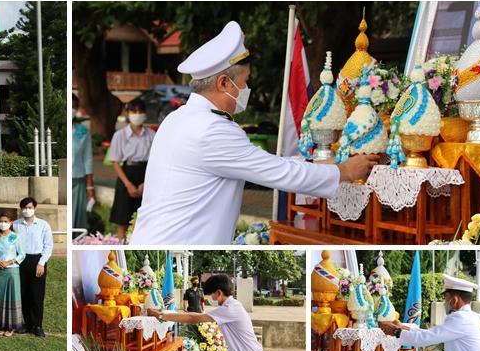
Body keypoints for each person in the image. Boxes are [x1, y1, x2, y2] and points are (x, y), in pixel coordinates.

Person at [131, 21, 376, 244]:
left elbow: (265, 163)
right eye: (244, 81)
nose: (246, 88)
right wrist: (344, 171)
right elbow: (280, 173)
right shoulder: (212, 131)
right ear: (224, 83)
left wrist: (322, 163)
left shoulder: (178, 119)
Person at [147, 273, 270, 351]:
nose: (210, 298)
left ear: (219, 292)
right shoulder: (232, 306)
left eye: (211, 294)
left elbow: (193, 318)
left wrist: (161, 315)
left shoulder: (230, 308)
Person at [380, 275, 480, 351]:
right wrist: (402, 327)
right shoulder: (470, 317)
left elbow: (424, 338)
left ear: (454, 300)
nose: (445, 302)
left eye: (446, 298)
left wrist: (395, 331)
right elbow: (431, 333)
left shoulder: (461, 319)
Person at [108, 99, 154, 241]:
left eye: (140, 111)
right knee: (123, 217)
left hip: (147, 173)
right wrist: (128, 184)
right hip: (126, 173)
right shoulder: (120, 135)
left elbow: (156, 161)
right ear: (127, 113)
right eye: (134, 111)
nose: (137, 114)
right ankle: (122, 243)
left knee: (145, 217)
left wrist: (146, 184)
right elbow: (115, 161)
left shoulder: (152, 135)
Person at [0, 212, 24, 336]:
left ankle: (11, 326)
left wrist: (9, 262)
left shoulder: (15, 237)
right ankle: (1, 324)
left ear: (10, 223)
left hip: (11, 270)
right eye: (1, 221)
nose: (3, 224)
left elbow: (22, 254)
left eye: (5, 221)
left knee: (11, 297)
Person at [72, 97, 96, 231]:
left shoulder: (82, 131)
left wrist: (90, 187)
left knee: (77, 217)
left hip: (78, 179)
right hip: (62, 180)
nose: (71, 109)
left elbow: (88, 159)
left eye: (74, 106)